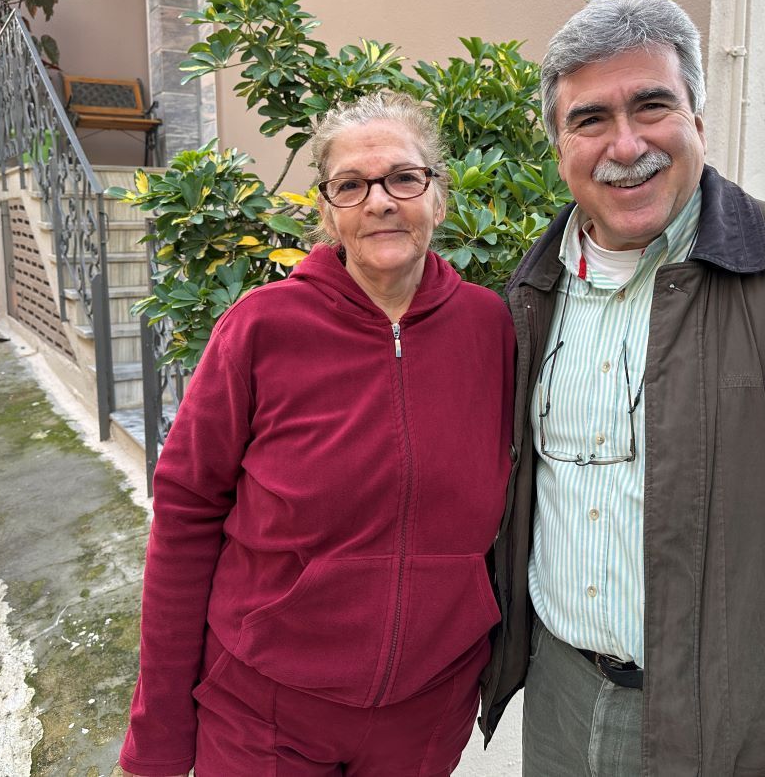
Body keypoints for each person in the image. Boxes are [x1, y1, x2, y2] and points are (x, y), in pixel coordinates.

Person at [478, 0, 765, 775]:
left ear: (697, 119)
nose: (626, 145)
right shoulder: (531, 293)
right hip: (560, 700)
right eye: (590, 119)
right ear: (559, 148)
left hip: (739, 724)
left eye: (651, 106)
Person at [120, 92, 515, 776]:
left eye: (404, 177)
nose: (380, 202)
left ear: (439, 196)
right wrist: (158, 736)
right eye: (351, 185)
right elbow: (186, 518)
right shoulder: (261, 328)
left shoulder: (492, 329)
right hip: (266, 713)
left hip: (426, 714)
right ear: (328, 212)